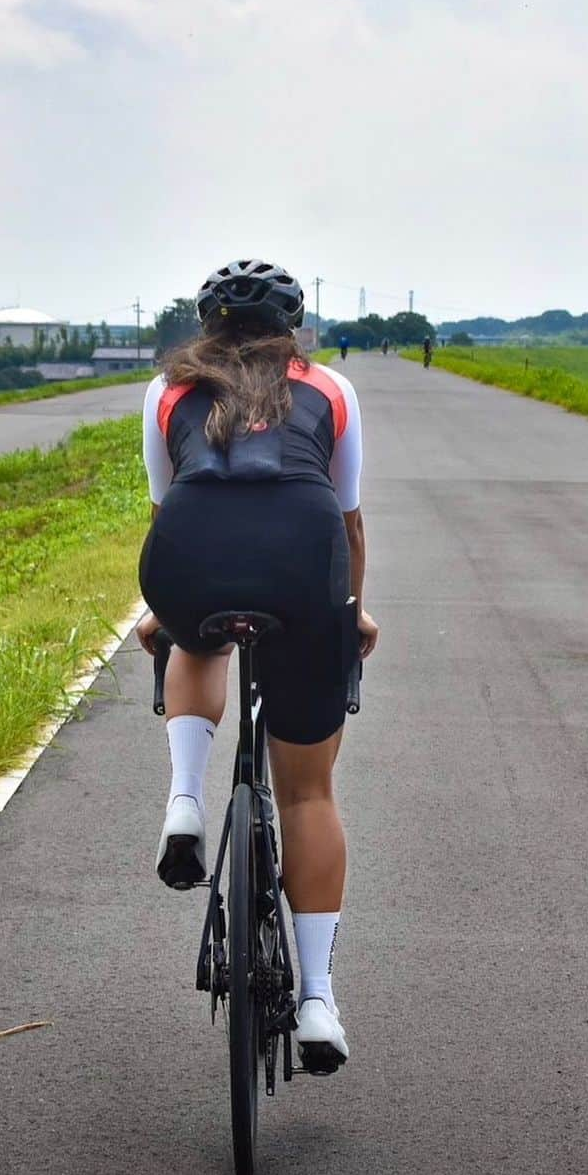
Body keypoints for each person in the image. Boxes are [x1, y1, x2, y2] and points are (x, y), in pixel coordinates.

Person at [137, 259, 379, 1073]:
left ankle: (183, 802)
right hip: (307, 571)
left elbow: (170, 507)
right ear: (292, 324)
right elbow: (346, 523)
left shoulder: (168, 389)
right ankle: (316, 999)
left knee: (191, 636)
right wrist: (354, 612)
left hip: (190, 564)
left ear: (207, 323)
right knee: (308, 790)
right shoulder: (332, 390)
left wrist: (160, 609)